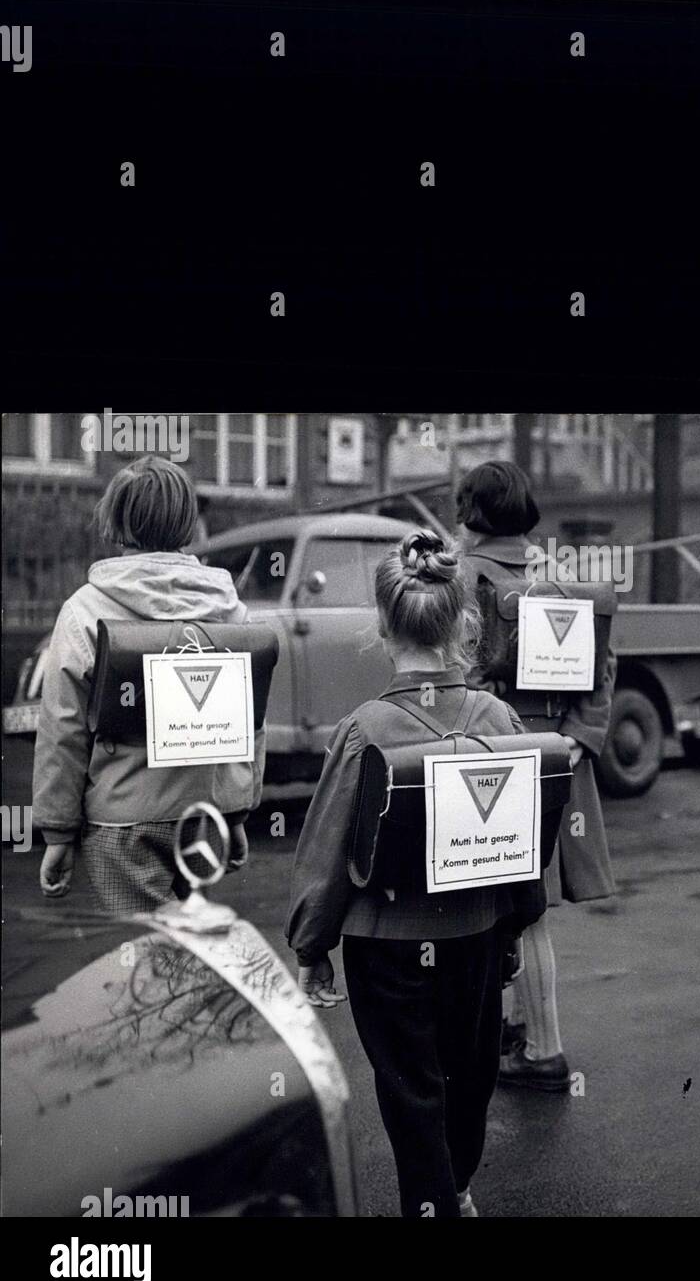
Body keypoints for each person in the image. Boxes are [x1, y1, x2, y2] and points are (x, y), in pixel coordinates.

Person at [284, 529, 545, 1217]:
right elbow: (520, 844)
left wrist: (313, 948)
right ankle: (455, 1189)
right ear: (464, 623)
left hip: (387, 948)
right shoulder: (500, 718)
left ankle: (428, 1201)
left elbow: (327, 850)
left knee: (409, 1088)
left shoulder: (365, 728)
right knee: (470, 1079)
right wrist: (515, 927)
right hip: (478, 937)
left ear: (381, 626)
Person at [34, 455, 262, 911]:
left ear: (116, 519)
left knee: (143, 966)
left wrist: (57, 832)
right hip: (204, 816)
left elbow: (63, 729)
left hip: (122, 824)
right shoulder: (229, 611)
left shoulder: (84, 612)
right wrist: (236, 812)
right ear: (189, 522)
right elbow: (244, 726)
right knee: (187, 958)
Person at [456, 460, 616, 1093]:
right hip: (557, 749)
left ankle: (542, 1050)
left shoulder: (462, 576)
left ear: (470, 509)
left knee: (511, 908)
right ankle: (523, 1031)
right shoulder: (559, 580)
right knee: (527, 907)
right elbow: (604, 667)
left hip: (491, 748)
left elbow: (454, 671)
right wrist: (580, 734)